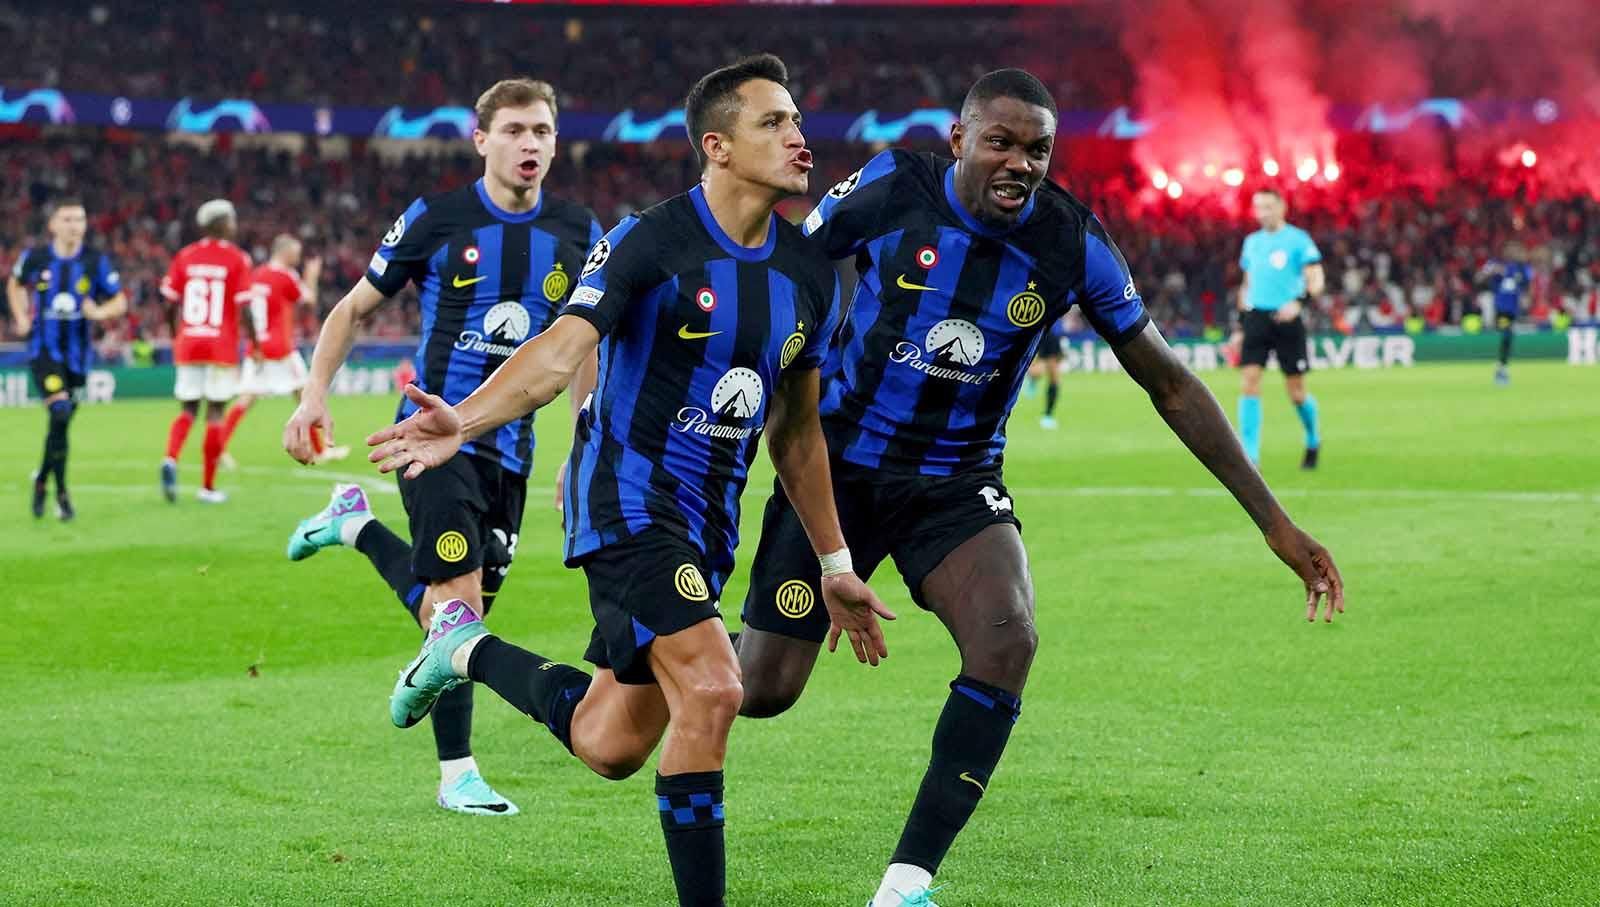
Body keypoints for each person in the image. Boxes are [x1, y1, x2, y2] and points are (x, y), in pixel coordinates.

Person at [732, 70, 1346, 907]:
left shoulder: (1071, 241)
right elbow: (790, 267)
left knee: (1007, 639)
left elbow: (1169, 383)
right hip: (838, 468)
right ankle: (650, 662)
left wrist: (1273, 521)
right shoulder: (890, 186)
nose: (1021, 162)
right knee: (763, 689)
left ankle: (904, 886)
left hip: (957, 480)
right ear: (959, 140)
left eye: (1038, 149)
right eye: (1002, 142)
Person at [367, 55, 888, 907]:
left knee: (609, 743)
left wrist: (835, 565)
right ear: (716, 147)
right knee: (718, 686)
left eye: (797, 121)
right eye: (774, 123)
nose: (800, 138)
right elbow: (560, 350)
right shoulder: (651, 239)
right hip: (627, 499)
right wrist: (463, 418)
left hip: (707, 525)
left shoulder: (809, 275)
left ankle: (458, 646)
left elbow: (796, 430)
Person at [281, 79, 601, 817]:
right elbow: (353, 307)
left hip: (511, 453)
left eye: (543, 132)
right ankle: (458, 774)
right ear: (481, 139)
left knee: (455, 619)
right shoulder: (438, 218)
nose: (531, 145)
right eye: (516, 130)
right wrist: (312, 394)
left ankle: (354, 523)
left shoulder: (579, 229)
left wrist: (583, 437)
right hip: (430, 443)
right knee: (457, 613)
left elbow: (583, 348)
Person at [7, 197, 126, 519]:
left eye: (80, 219)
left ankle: (44, 480)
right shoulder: (37, 257)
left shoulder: (94, 261)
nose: (76, 226)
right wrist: (21, 317)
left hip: (78, 356)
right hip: (44, 351)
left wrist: (99, 311)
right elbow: (15, 283)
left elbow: (120, 301)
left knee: (60, 426)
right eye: (69, 219)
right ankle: (62, 494)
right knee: (59, 413)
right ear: (53, 225)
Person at [159, 199, 255, 503]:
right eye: (232, 220)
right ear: (223, 224)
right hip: (219, 345)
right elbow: (245, 308)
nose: (235, 225)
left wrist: (177, 336)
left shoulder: (185, 256)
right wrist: (256, 343)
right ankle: (207, 488)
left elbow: (168, 304)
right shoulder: (237, 258)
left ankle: (170, 458)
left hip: (189, 341)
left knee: (187, 409)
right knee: (214, 412)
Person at [1232, 188, 1325, 469]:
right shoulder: (1251, 243)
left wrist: (1300, 302)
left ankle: (1312, 438)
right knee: (1249, 382)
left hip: (1287, 321)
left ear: (1282, 207)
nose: (1263, 213)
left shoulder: (1298, 240)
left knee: (1296, 391)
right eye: (1259, 207)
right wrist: (1239, 325)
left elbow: (1316, 278)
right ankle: (1251, 457)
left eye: (1269, 207)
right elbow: (1246, 285)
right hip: (1256, 318)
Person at [218, 235, 322, 464]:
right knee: (305, 395)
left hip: (257, 345)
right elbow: (309, 300)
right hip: (281, 347)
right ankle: (320, 449)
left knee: (246, 398)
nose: (298, 256)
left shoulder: (258, 275)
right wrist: (312, 276)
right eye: (296, 252)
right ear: (284, 252)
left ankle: (218, 448)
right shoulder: (286, 275)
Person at [1479, 241, 1533, 385]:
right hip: (1501, 309)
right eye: (1511, 249)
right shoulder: (1494, 264)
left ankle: (1502, 366)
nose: (1514, 252)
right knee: (1506, 333)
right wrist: (1491, 272)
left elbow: (1527, 282)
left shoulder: (1520, 268)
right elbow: (1480, 277)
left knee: (1509, 336)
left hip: (1514, 310)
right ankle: (1501, 369)